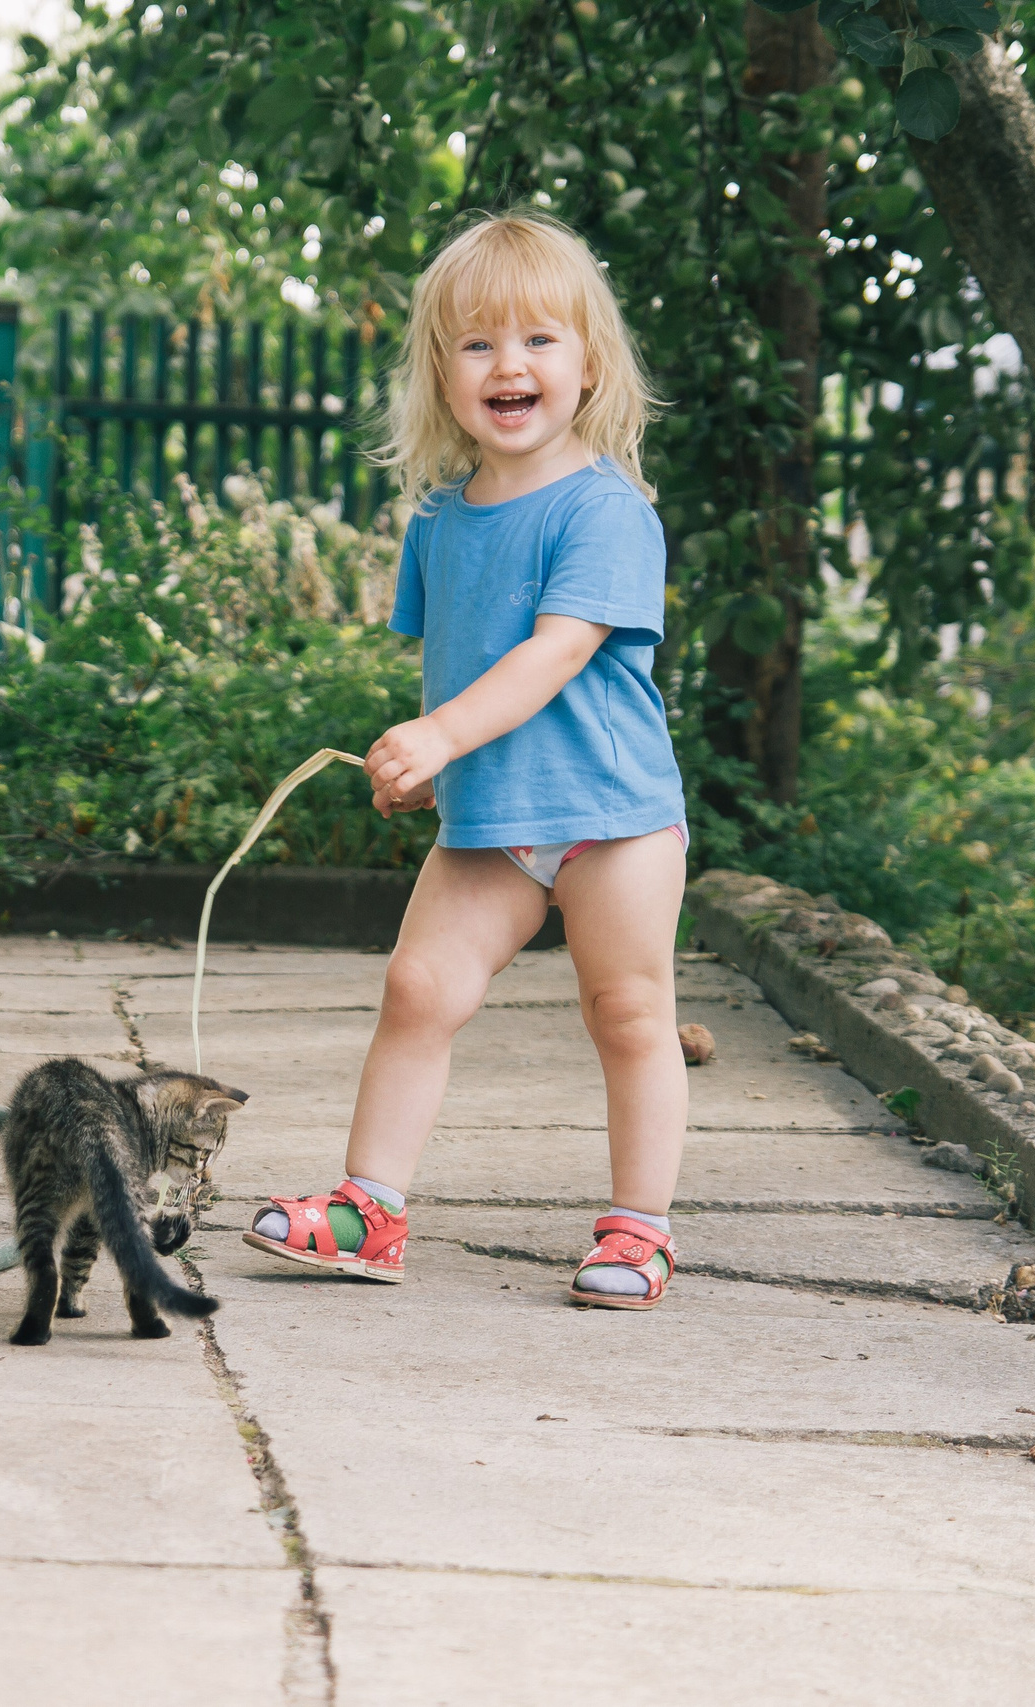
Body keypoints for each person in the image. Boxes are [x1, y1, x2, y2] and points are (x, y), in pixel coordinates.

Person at [244, 210, 688, 1310]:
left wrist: (444, 733)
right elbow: (460, 661)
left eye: (540, 339)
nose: (510, 364)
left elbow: (552, 654)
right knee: (417, 989)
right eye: (479, 343)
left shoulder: (606, 511)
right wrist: (435, 756)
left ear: (588, 366)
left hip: (614, 818)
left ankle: (639, 1232)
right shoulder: (441, 521)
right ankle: (369, 1209)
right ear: (442, 374)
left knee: (627, 1011)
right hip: (493, 819)